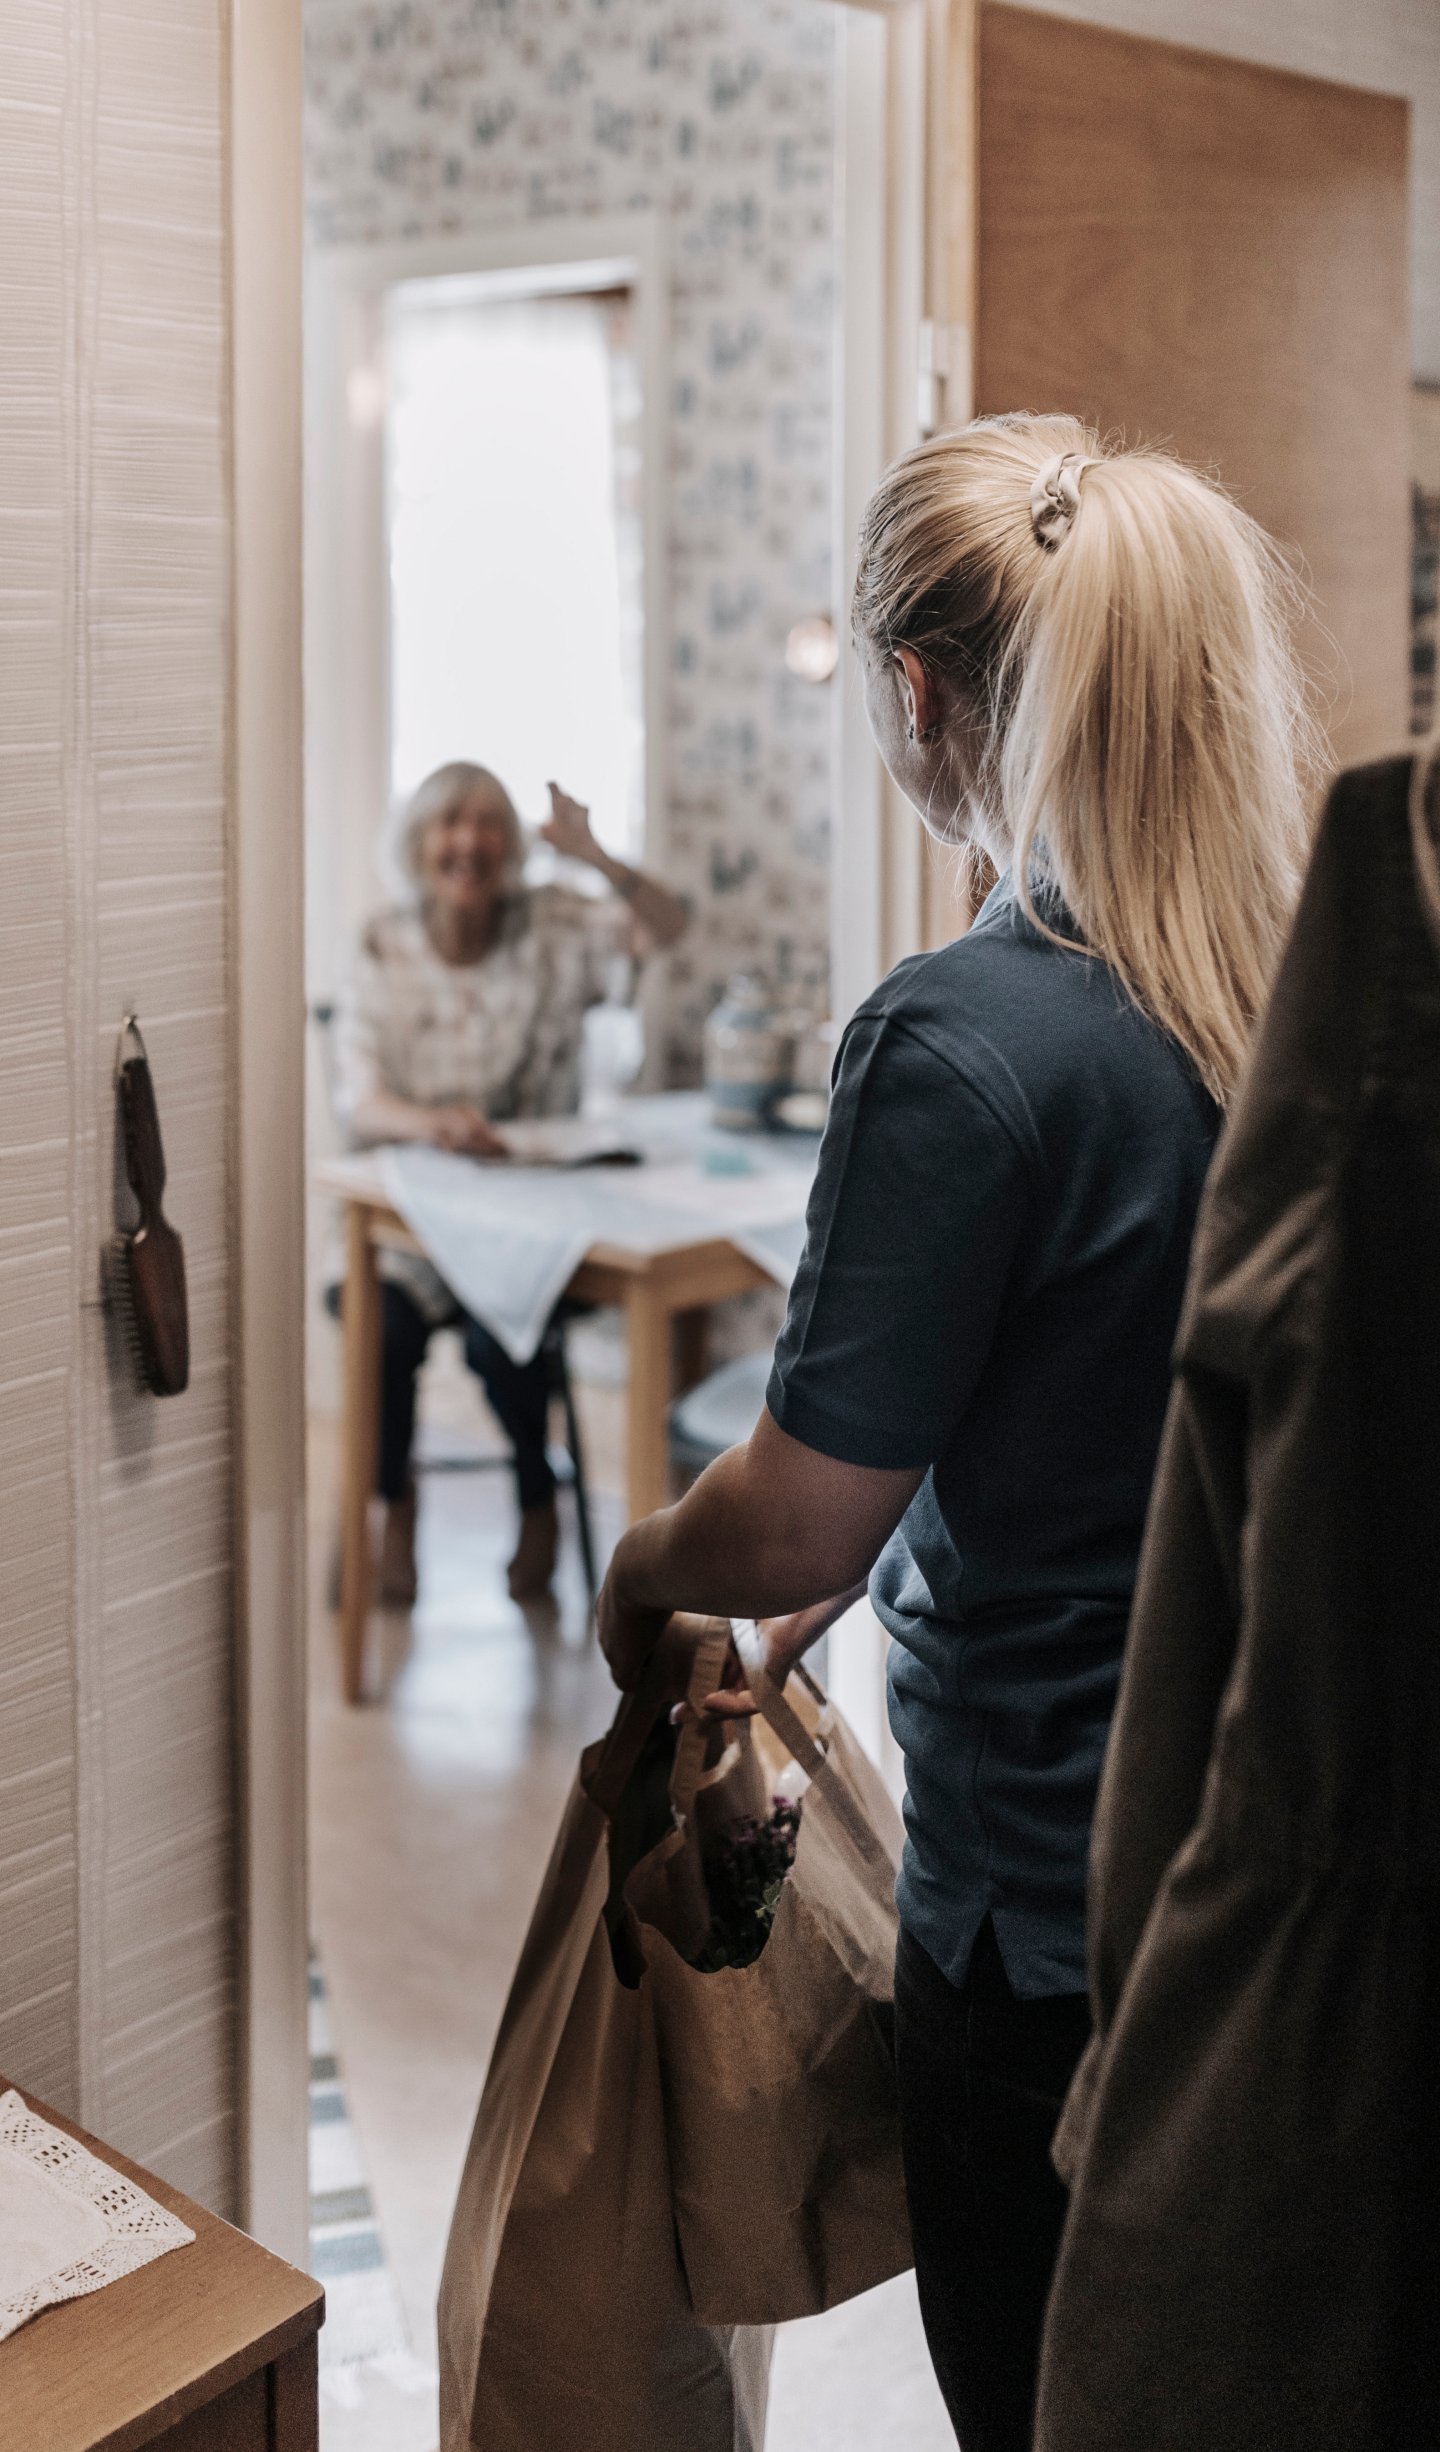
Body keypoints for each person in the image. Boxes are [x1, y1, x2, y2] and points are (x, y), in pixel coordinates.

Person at [596, 414, 1315, 2449]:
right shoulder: (1296, 985)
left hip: (1055, 1924)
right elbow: (1122, 1415)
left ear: (916, 697)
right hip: (1284, 1879)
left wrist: (653, 1566)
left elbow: (799, 1517)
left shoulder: (962, 1034)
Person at [332, 761, 687, 1602]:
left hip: (534, 1216)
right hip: (414, 1219)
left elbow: (667, 928)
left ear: (512, 845)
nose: (470, 842)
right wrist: (437, 1125)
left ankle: (539, 1499)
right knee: (379, 1323)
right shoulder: (384, 939)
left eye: (489, 823)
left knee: (510, 1334)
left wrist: (596, 854)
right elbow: (360, 1096)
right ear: (418, 843)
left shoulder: (552, 925)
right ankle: (392, 1504)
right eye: (450, 824)